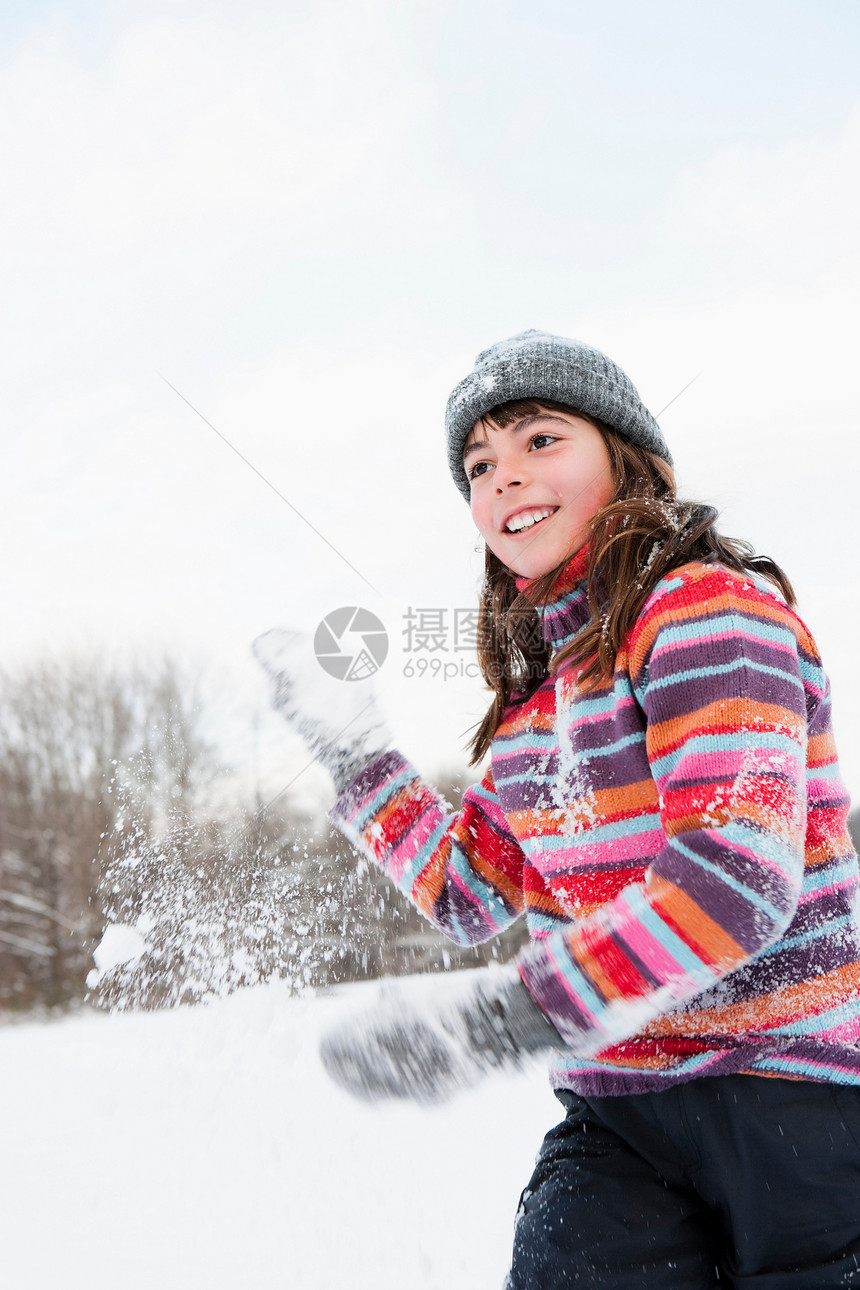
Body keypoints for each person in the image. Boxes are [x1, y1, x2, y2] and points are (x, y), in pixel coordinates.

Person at [254, 330, 860, 1288]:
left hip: (787, 1096)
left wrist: (506, 1020)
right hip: (618, 1113)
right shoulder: (543, 710)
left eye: (541, 440)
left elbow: (737, 876)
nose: (502, 478)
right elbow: (467, 893)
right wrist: (359, 758)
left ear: (629, 462)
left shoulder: (704, 612)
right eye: (478, 464)